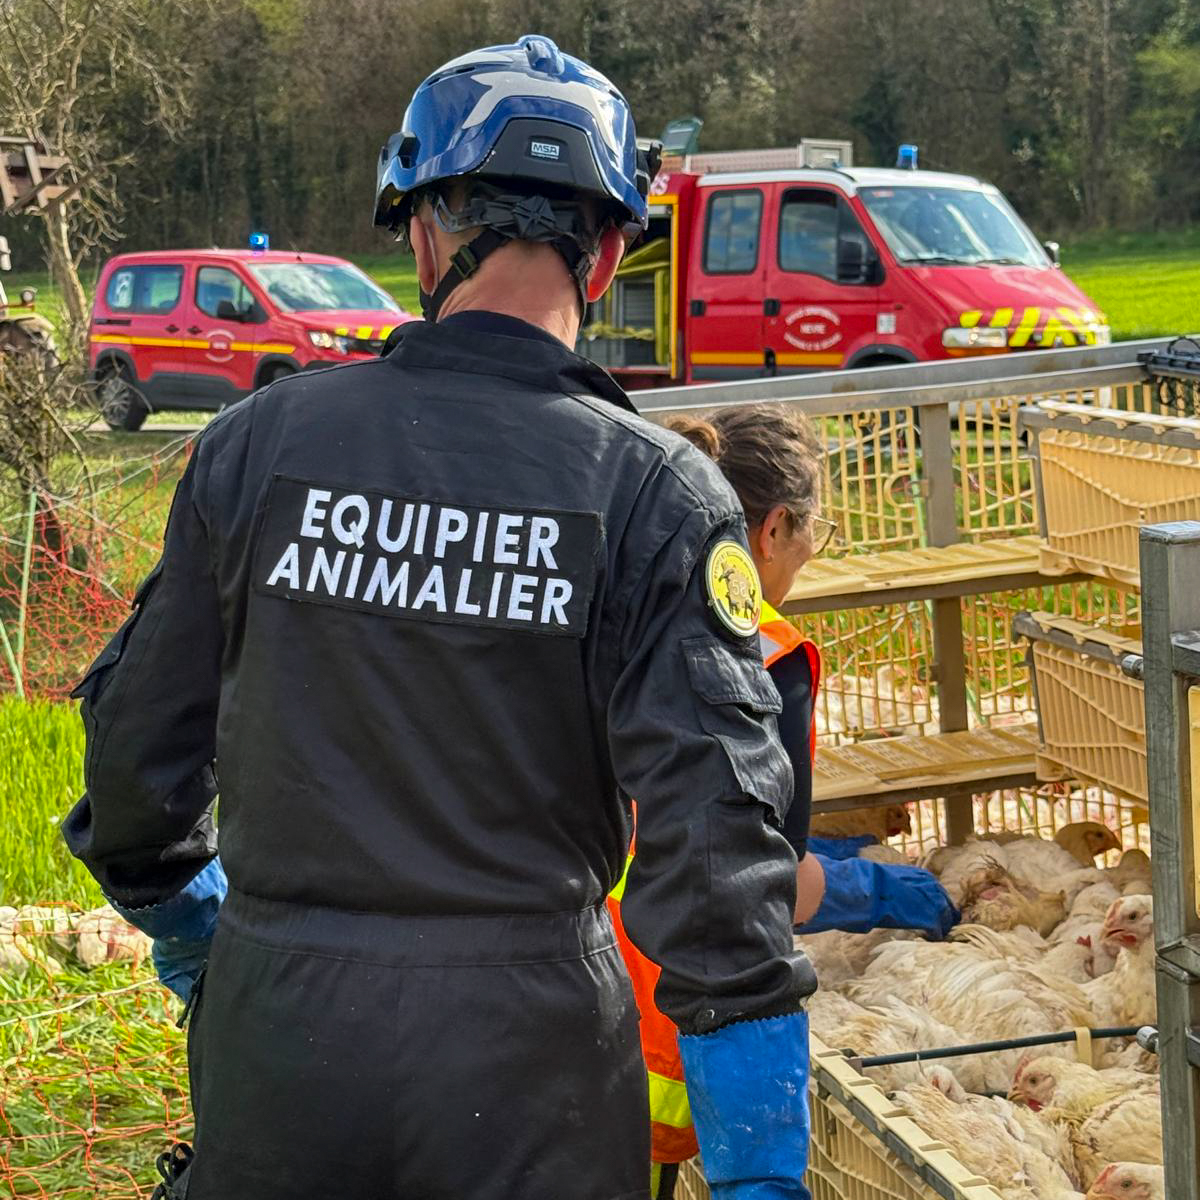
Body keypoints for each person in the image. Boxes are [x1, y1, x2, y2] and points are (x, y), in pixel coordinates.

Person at [62, 35, 814, 1200]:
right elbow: (717, 848)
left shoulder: (259, 445)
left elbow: (135, 764)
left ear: (420, 233)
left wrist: (200, 927)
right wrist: (761, 1170)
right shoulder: (655, 493)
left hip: (279, 1040)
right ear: (611, 253)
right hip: (536, 1068)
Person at [609, 406, 956, 1199]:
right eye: (813, 534)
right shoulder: (768, 654)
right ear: (771, 530)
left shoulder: (618, 613)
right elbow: (770, 872)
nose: (808, 555)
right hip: (681, 1002)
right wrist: (892, 893)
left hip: (566, 980)